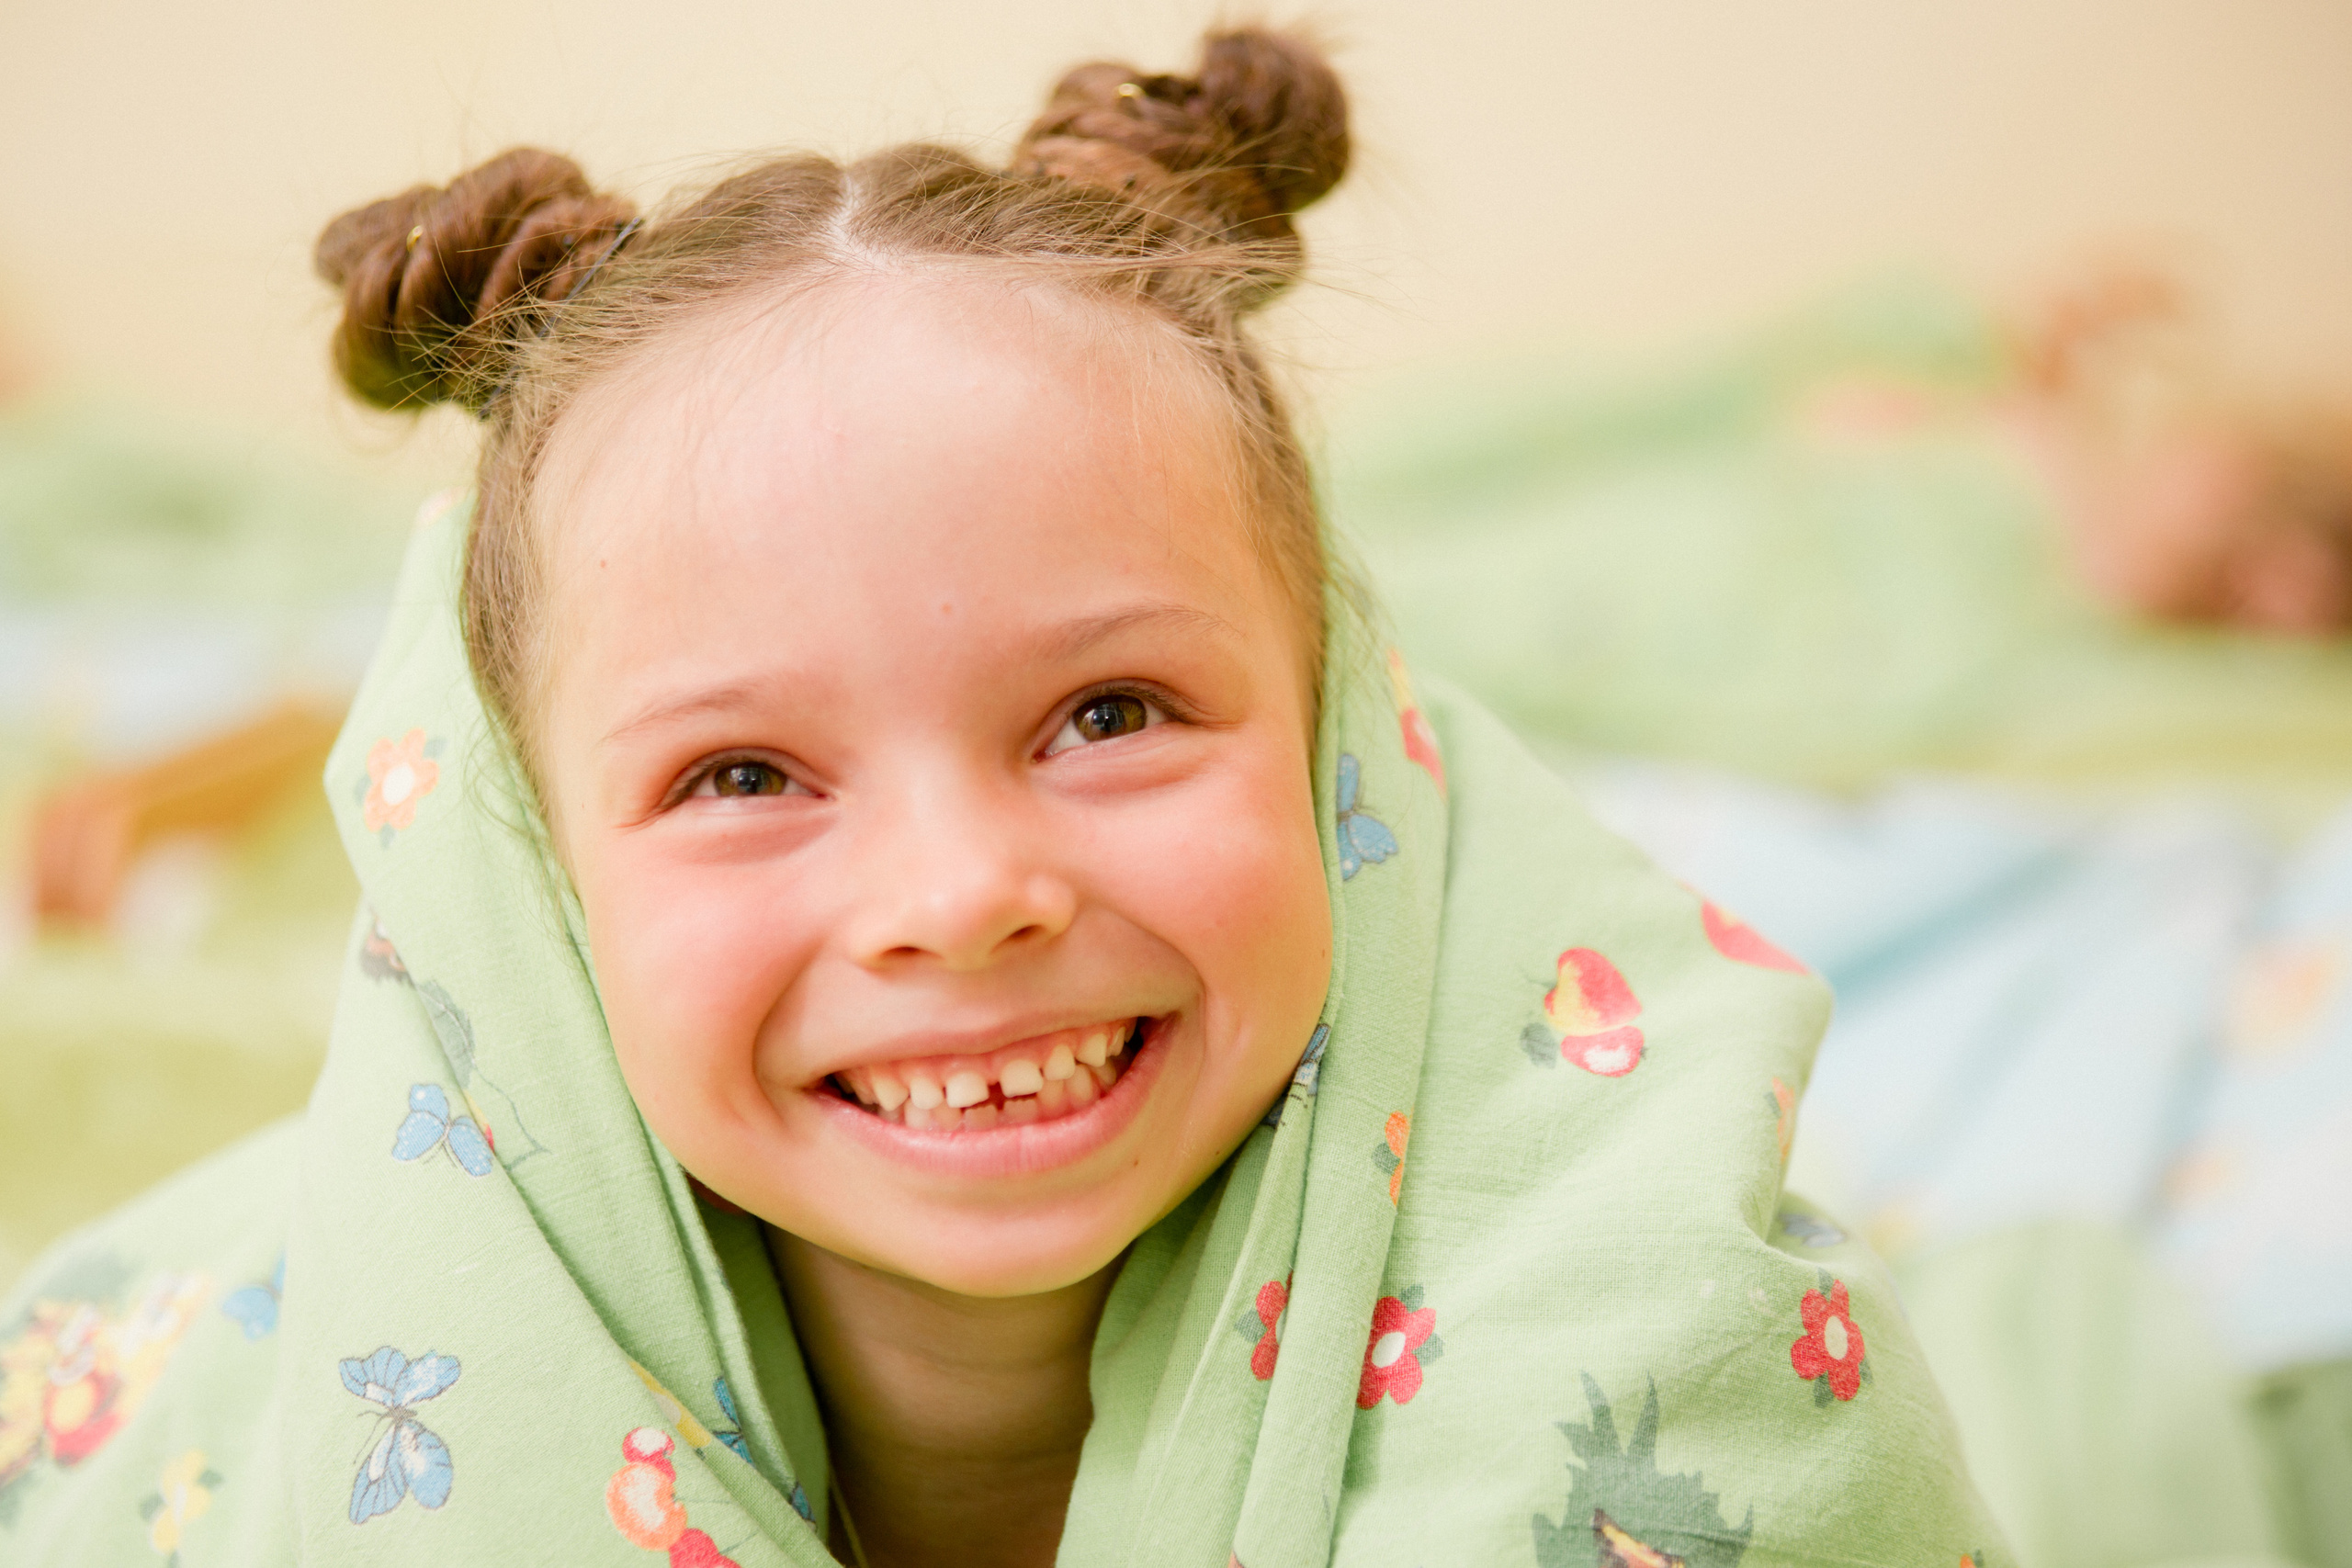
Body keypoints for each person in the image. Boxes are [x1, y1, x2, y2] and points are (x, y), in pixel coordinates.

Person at [0, 28, 2005, 1566]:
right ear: (524, 877)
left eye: (1111, 712)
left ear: (1338, 741)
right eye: (741, 772)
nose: (960, 893)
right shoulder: (239, 1445)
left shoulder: (1695, 1370)